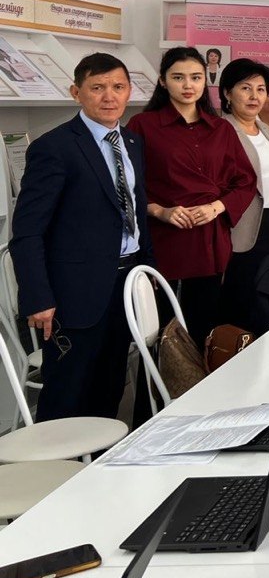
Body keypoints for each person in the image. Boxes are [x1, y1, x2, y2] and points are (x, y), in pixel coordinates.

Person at [10, 54, 152, 421]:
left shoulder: (131, 142)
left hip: (126, 283)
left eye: (118, 87)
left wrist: (148, 274)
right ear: (76, 92)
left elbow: (136, 212)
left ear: (129, 91)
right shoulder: (54, 147)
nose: (109, 96)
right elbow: (27, 231)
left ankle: (102, 456)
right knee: (67, 394)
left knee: (111, 386)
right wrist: (38, 297)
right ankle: (56, 459)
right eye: (97, 87)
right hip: (74, 293)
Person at [126, 47, 256, 347]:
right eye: (178, 77)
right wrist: (159, 210)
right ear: (162, 81)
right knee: (161, 331)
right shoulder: (142, 125)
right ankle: (160, 380)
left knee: (204, 324)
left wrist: (216, 207)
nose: (188, 85)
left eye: (196, 77)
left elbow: (246, 180)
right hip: (163, 239)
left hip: (210, 238)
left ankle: (200, 378)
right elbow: (127, 186)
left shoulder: (221, 128)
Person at [218, 59, 269, 327]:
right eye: (245, 88)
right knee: (241, 304)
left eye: (261, 89)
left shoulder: (265, 130)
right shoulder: (221, 130)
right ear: (227, 93)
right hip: (237, 228)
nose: (254, 96)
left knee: (266, 302)